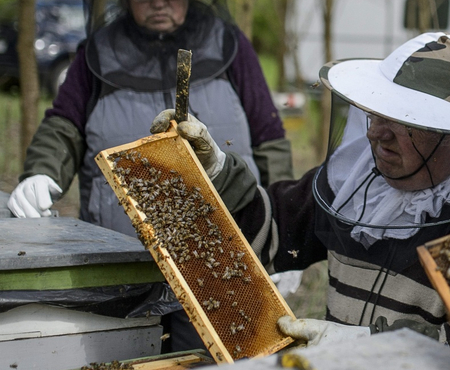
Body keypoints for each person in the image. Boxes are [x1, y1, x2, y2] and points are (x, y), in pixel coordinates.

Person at [151, 32, 450, 347]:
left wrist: (365, 349)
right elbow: (264, 238)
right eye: (376, 114)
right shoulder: (355, 182)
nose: (375, 133)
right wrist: (214, 168)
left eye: (404, 123)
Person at [6, 0, 296, 352]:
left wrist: (282, 238)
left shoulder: (229, 45)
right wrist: (42, 171)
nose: (159, 2)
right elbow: (63, 125)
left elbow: (269, 138)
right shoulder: (97, 52)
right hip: (126, 268)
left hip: (220, 264)